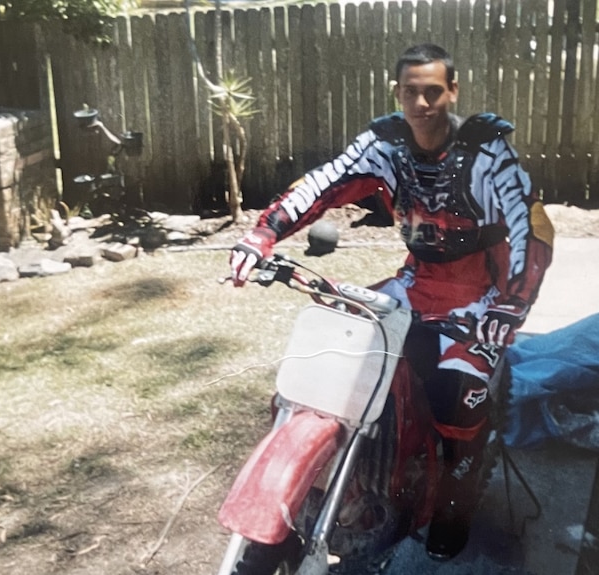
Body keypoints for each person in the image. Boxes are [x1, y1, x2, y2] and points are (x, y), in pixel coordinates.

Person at [228, 43, 554, 560]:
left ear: (452, 91)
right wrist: (262, 234)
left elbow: (529, 227)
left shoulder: (488, 152)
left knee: (455, 388)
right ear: (397, 93)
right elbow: (324, 182)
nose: (422, 103)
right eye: (411, 92)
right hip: (415, 282)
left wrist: (509, 307)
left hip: (480, 298)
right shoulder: (386, 144)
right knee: (337, 356)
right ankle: (328, 477)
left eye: (433, 91)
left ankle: (456, 498)